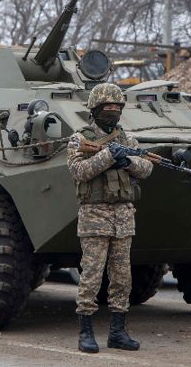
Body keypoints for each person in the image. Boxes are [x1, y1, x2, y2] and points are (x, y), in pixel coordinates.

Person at [66, 82, 153, 353]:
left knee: (122, 277)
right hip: (94, 216)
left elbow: (147, 166)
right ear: (96, 109)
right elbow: (78, 170)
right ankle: (86, 332)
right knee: (91, 276)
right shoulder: (80, 138)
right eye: (108, 108)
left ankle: (118, 332)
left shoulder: (127, 139)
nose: (113, 112)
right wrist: (106, 156)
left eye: (117, 108)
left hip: (123, 217)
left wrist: (126, 161)